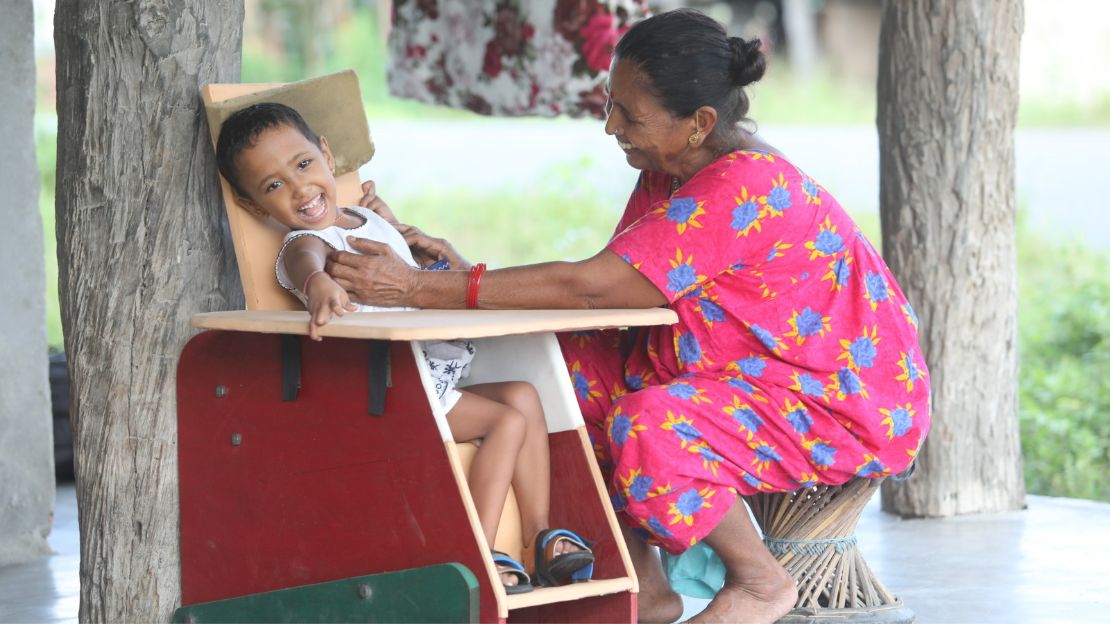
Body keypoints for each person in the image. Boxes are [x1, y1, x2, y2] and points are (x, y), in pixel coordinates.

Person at [326, 9, 931, 623]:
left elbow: (593, 289)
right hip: (742, 368)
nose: (610, 126)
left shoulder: (742, 185)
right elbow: (618, 295)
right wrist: (456, 273)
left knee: (652, 427)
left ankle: (760, 583)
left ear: (699, 124)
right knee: (565, 369)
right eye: (610, 104)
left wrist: (420, 290)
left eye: (629, 114)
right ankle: (647, 587)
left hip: (838, 398)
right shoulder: (669, 170)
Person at [214, 103, 595, 593]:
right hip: (388, 387)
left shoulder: (363, 217)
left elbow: (421, 270)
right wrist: (317, 286)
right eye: (273, 186)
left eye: (303, 164)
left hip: (431, 371)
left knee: (524, 395)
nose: (299, 189)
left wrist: (399, 230)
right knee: (506, 420)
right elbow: (302, 260)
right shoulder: (306, 241)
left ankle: (538, 536)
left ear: (325, 153)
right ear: (253, 206)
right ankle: (477, 554)